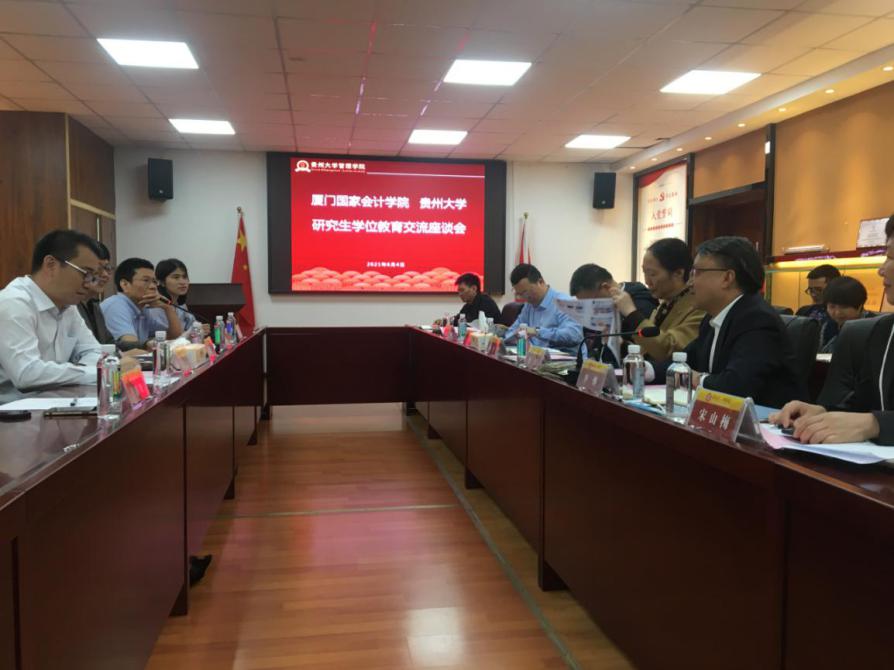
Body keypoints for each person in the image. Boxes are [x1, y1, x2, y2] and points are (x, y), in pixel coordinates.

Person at [772, 214, 894, 445]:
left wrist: (876, 424)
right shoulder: (880, 331)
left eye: (890, 257)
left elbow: (871, 420)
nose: (881, 270)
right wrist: (822, 413)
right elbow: (863, 405)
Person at [659, 236, 805, 408]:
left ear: (727, 278)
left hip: (766, 421)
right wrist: (644, 369)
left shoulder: (757, 319)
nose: (690, 282)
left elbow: (736, 386)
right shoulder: (712, 318)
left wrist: (696, 378)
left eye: (696, 272)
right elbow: (682, 363)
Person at [0, 230, 104, 401]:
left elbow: (94, 351)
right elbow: (27, 374)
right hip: (12, 412)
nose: (89, 284)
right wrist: (94, 372)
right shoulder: (14, 303)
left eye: (93, 277)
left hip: (56, 402)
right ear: (51, 265)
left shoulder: (68, 306)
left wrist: (84, 371)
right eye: (85, 273)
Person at [610, 238, 705, 364]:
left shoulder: (699, 306)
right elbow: (649, 350)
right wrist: (620, 345)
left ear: (678, 273)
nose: (647, 281)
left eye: (652, 274)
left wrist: (632, 314)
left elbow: (670, 350)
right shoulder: (664, 304)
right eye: (644, 273)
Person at [568, 263, 657, 368]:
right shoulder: (600, 309)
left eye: (591, 303)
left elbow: (650, 351)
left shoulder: (640, 304)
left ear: (605, 288)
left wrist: (622, 345)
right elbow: (591, 345)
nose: (591, 309)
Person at [101, 258, 184, 349]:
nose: (153, 287)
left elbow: (173, 337)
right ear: (125, 284)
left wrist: (168, 308)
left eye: (154, 282)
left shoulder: (142, 308)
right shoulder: (115, 306)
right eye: (146, 280)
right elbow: (132, 348)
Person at [504, 263, 583, 351]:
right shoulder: (528, 306)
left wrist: (536, 331)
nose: (522, 297)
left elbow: (574, 335)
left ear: (540, 282)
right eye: (519, 294)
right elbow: (512, 331)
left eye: (525, 292)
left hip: (566, 357)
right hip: (535, 356)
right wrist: (514, 337)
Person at [819, 276, 874, 354]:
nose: (837, 313)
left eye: (844, 307)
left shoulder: (874, 326)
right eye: (832, 307)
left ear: (860, 305)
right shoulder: (828, 326)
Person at [77, 241, 115, 345]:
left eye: (107, 268)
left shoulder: (94, 305)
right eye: (98, 268)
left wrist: (143, 345)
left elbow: (108, 342)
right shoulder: (69, 306)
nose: (105, 274)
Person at [796, 264, 841, 347]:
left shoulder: (841, 314)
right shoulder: (803, 311)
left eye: (818, 290)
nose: (813, 294)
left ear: (834, 287)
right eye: (811, 290)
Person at [156, 258, 203, 333]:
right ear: (162, 282)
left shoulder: (182, 306)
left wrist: (200, 329)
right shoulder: (155, 307)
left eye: (184, 277)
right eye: (176, 277)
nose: (182, 282)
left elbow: (194, 326)